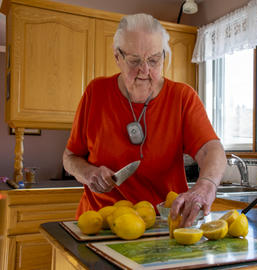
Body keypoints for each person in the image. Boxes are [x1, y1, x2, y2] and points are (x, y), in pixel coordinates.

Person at [63, 13, 227, 228]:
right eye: (134, 61)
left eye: (154, 60)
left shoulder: (182, 97)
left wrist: (206, 185)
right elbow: (70, 157)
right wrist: (88, 173)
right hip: (101, 223)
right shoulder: (96, 92)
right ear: (117, 57)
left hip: (163, 223)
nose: (144, 70)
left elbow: (210, 149)